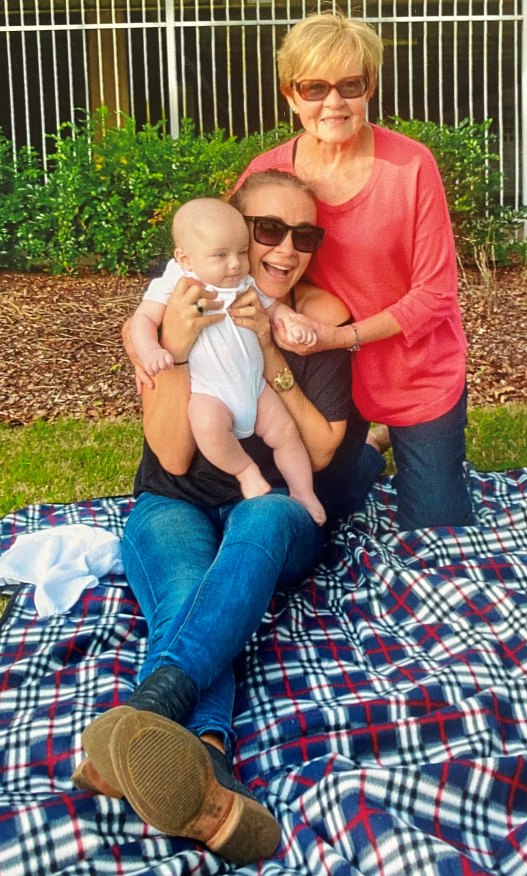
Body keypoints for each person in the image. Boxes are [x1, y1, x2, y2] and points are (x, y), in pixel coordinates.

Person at [72, 170, 385, 866]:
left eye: (302, 235)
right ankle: (203, 765)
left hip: (276, 513)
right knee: (190, 596)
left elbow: (328, 446)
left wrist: (272, 353)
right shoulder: (177, 308)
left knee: (262, 516)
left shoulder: (315, 318)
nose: (279, 251)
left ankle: (150, 709)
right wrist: (175, 349)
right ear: (229, 237)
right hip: (172, 499)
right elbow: (176, 457)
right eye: (264, 231)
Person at [240, 11, 475, 531]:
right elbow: (227, 261)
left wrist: (337, 335)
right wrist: (144, 323)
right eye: (314, 87)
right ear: (290, 95)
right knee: (329, 509)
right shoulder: (268, 174)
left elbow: (435, 294)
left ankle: (400, 439)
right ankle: (369, 446)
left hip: (413, 365)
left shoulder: (412, 166)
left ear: (369, 87)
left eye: (350, 85)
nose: (333, 102)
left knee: (439, 529)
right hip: (325, 374)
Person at [131, 197, 326, 524]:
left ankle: (303, 492)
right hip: (210, 394)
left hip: (253, 387)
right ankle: (246, 471)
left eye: (240, 252)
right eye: (221, 255)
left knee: (287, 433)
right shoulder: (176, 284)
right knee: (207, 428)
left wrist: (292, 320)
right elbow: (142, 319)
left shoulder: (243, 282)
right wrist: (149, 350)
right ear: (184, 258)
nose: (235, 264)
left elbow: (273, 307)